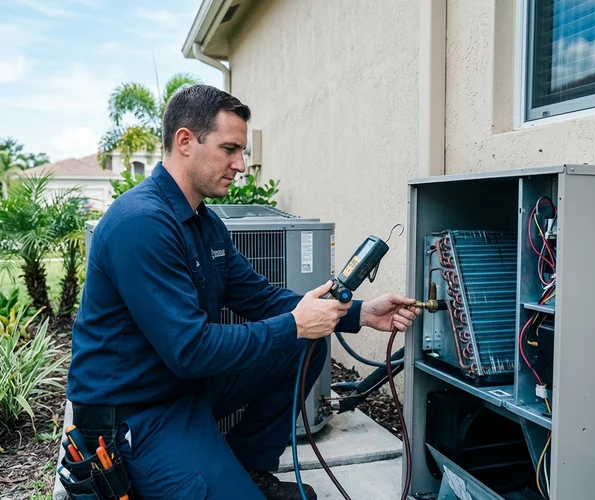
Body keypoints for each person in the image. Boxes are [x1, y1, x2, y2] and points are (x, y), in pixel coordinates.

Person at [67, 84, 420, 500]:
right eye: (229, 149)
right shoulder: (140, 223)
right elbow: (190, 350)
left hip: (184, 391)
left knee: (306, 346)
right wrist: (294, 324)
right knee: (295, 335)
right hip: (134, 416)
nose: (240, 164)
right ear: (185, 141)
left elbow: (259, 297)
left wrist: (358, 313)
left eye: (242, 151)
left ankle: (245, 466)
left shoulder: (205, 223)